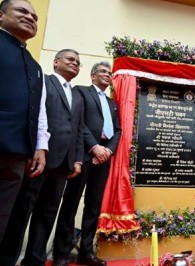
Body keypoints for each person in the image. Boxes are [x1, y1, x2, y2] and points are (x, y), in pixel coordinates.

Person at [0, 48, 85, 266]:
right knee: (22, 212)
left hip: (63, 164)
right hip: (40, 159)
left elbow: (77, 129)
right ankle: (8, 258)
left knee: (47, 215)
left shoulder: (76, 95)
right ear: (56, 62)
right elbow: (34, 117)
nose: (75, 63)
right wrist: (33, 149)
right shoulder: (43, 82)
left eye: (78, 62)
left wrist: (76, 159)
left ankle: (34, 260)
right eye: (70, 59)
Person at [52, 61, 121, 266]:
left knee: (94, 205)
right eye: (102, 71)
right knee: (71, 203)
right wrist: (94, 147)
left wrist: (108, 150)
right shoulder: (81, 92)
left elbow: (118, 130)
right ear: (92, 76)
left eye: (109, 73)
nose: (107, 75)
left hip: (104, 157)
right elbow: (78, 122)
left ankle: (86, 252)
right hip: (84, 153)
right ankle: (61, 253)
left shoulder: (112, 103)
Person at [0, 0, 49, 243]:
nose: (30, 18)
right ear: (1, 16)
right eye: (22, 11)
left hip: (17, 156)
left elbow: (37, 110)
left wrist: (40, 145)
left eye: (35, 16)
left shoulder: (34, 65)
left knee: (3, 219)